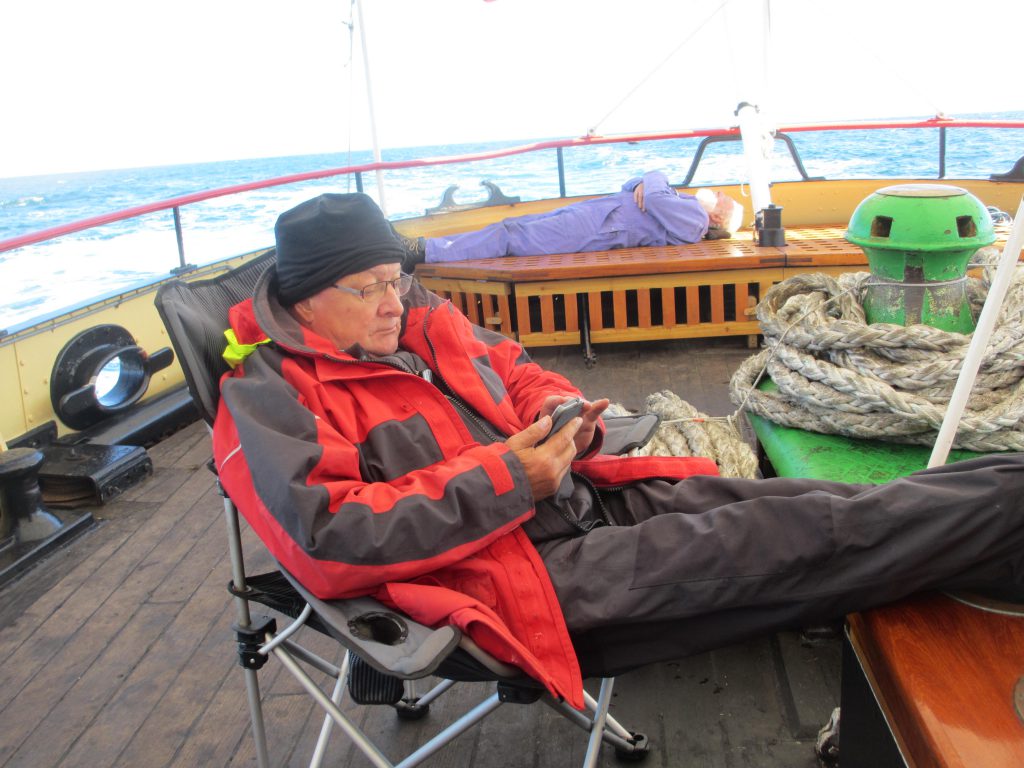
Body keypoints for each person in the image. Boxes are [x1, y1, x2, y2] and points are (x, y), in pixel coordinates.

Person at [213, 192, 1024, 710]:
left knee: (822, 505)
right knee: (819, 537)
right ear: (305, 300)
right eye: (369, 289)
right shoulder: (269, 397)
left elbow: (516, 371)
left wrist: (560, 415)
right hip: (518, 573)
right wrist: (509, 477)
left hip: (585, 495)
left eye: (397, 278)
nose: (395, 301)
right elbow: (330, 539)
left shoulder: (420, 323)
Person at [403, 170, 741, 266]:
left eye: (722, 198)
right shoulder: (688, 207)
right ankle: (425, 246)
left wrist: (652, 177)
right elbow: (638, 188)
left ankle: (423, 250)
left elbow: (652, 195)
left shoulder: (695, 217)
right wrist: (641, 182)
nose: (717, 192)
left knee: (511, 236)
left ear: (716, 217)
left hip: (599, 227)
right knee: (514, 228)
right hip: (598, 216)